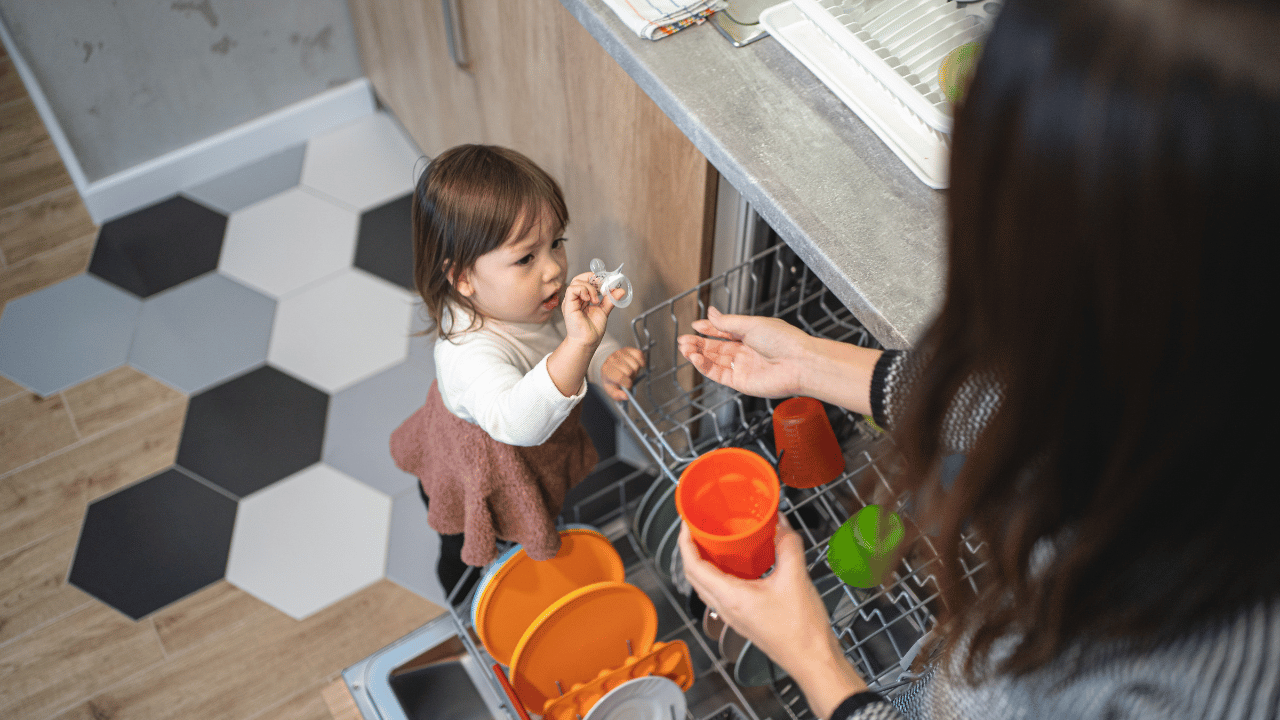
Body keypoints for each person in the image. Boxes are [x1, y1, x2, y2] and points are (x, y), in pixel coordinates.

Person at [677, 0, 1280, 717]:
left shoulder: (1150, 677)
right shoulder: (1205, 390)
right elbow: (1046, 407)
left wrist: (811, 653)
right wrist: (811, 363)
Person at [390, 144, 645, 599]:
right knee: (470, 551)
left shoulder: (516, 294)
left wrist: (602, 354)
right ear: (463, 278)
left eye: (556, 243)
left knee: (526, 527)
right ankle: (466, 606)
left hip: (520, 457)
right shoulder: (466, 353)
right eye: (526, 258)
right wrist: (582, 344)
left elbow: (569, 332)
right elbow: (517, 423)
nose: (553, 269)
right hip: (480, 471)